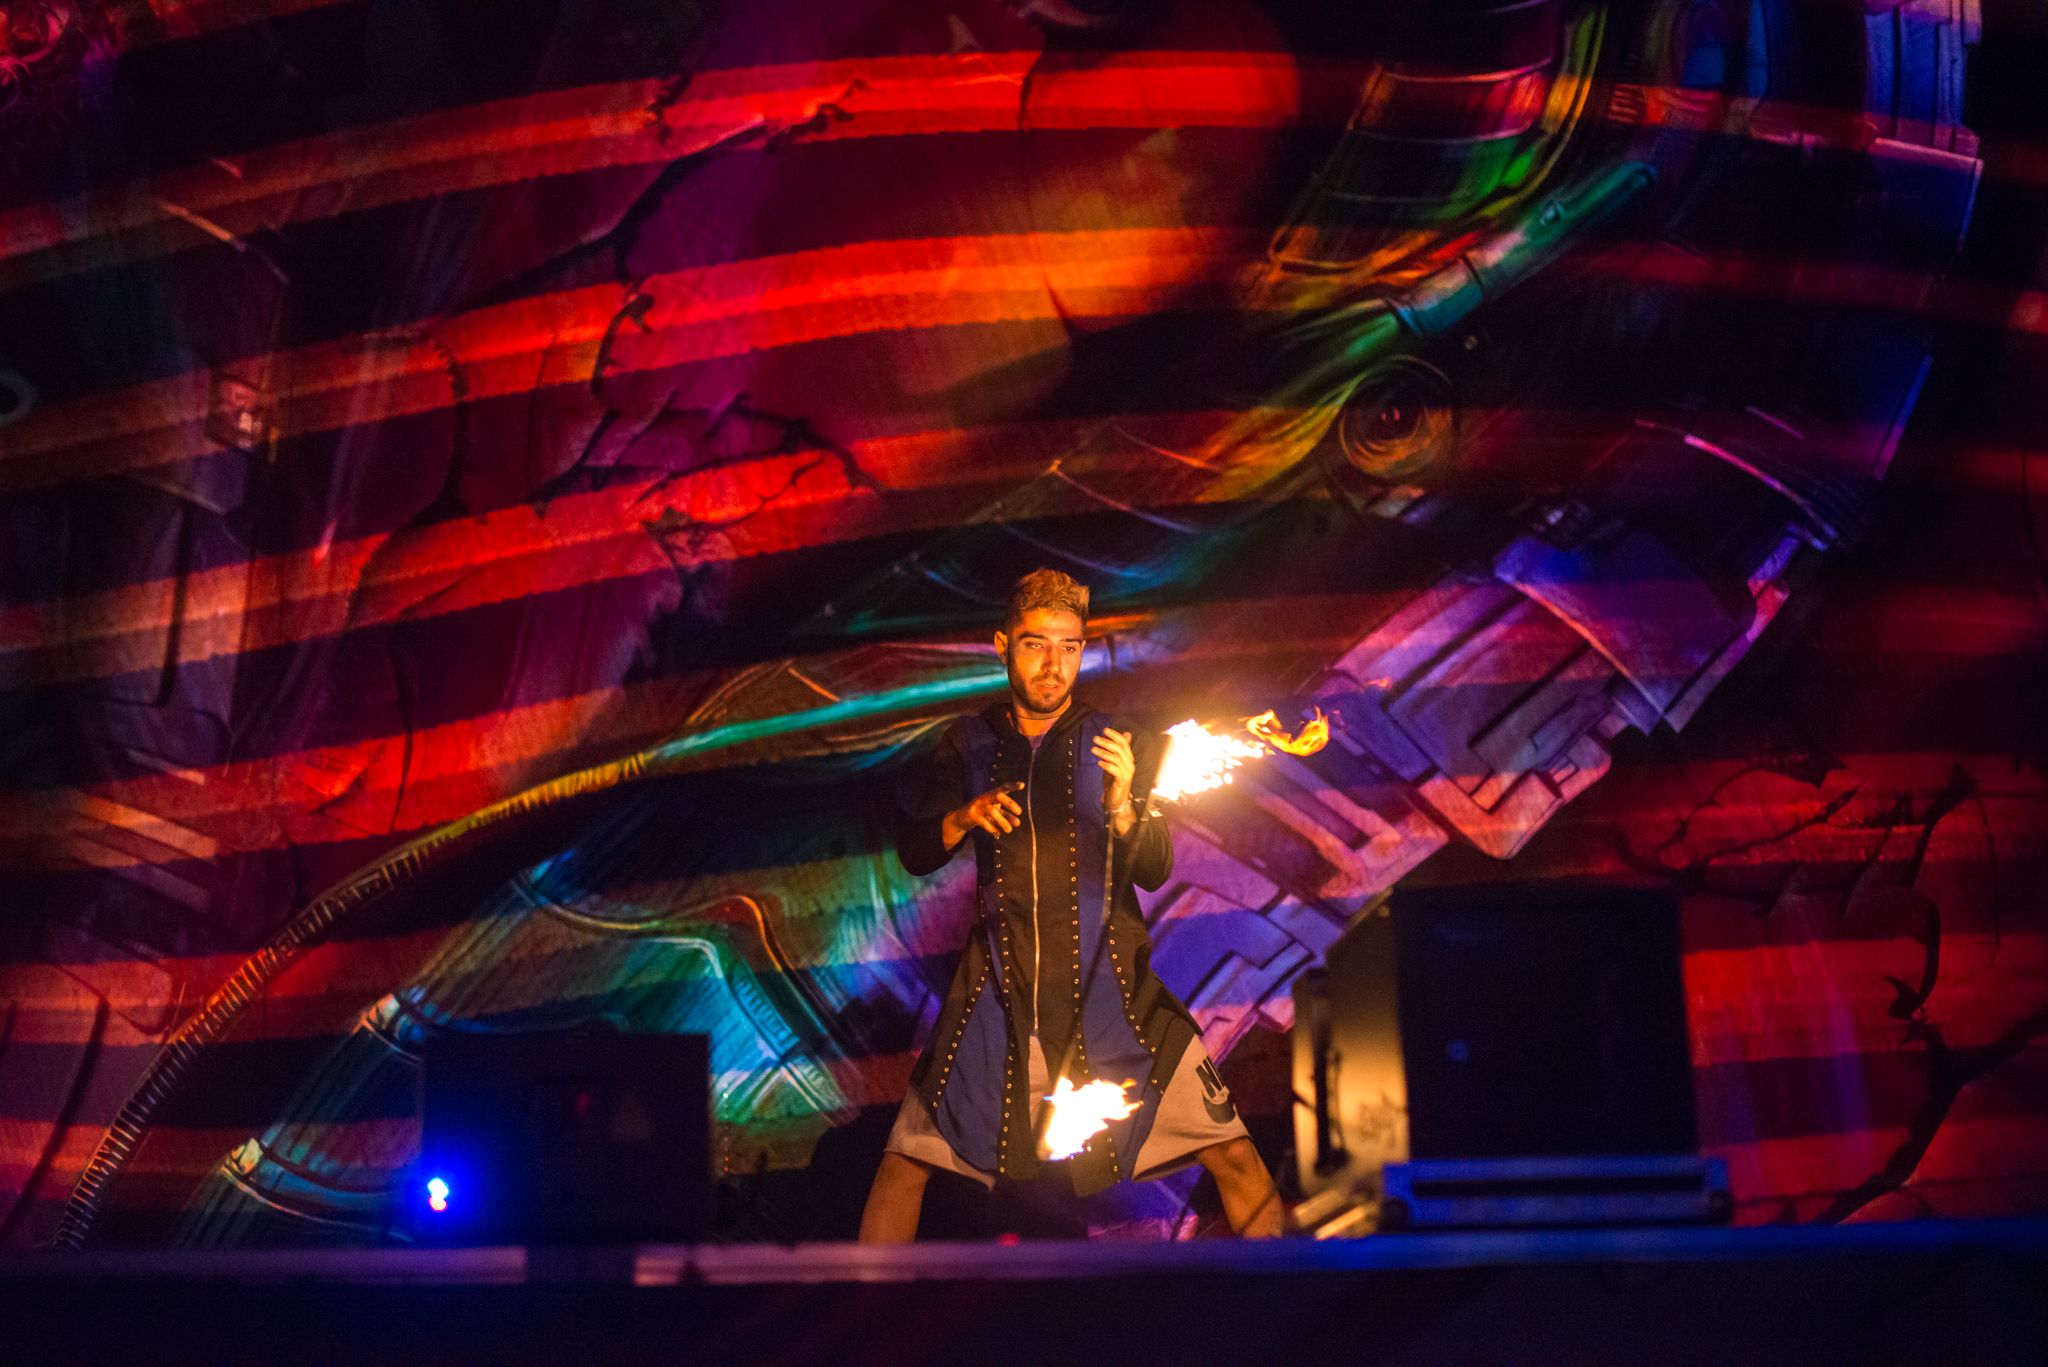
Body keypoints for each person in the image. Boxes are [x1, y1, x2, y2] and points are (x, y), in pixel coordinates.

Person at [859, 568, 1282, 1241]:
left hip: (1116, 996)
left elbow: (1155, 867)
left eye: (1069, 647)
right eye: (1036, 644)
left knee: (1235, 1157)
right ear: (1003, 645)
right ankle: (862, 1309)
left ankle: (1289, 1301)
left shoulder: (1117, 741)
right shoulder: (968, 743)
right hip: (998, 998)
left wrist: (1124, 805)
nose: (1054, 665)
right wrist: (964, 816)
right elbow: (916, 850)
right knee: (903, 1166)